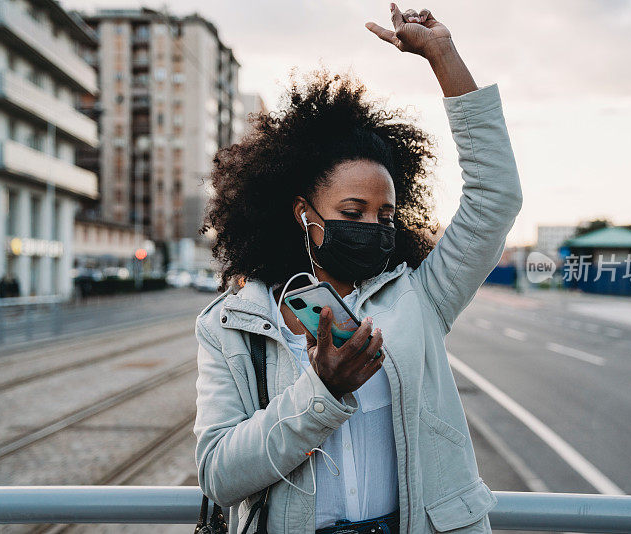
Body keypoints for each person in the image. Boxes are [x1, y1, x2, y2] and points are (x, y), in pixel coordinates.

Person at [193, 5, 523, 533]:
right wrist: (321, 390)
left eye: (386, 215)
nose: (373, 225)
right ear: (305, 213)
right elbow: (218, 474)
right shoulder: (235, 325)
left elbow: (495, 197)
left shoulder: (422, 297)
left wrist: (444, 56)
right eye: (352, 213)